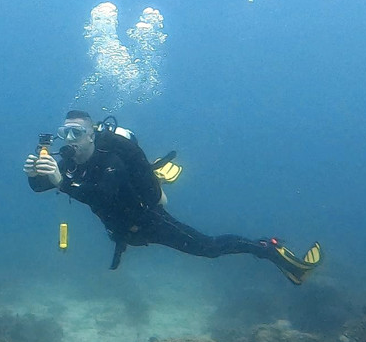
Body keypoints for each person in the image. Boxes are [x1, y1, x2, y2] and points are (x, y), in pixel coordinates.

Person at [23, 110, 322, 283]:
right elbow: (39, 188)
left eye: (77, 133)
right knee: (206, 247)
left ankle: (270, 250)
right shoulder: (71, 162)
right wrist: (34, 174)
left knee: (209, 247)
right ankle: (156, 172)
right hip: (124, 229)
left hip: (148, 219)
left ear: (92, 135)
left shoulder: (111, 158)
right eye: (65, 132)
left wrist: (61, 181)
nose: (70, 140)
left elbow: (104, 195)